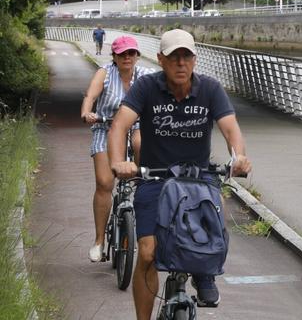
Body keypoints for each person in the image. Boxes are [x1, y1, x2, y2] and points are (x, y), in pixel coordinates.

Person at [108, 29, 251, 320]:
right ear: (161, 59)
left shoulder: (210, 89)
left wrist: (239, 157)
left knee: (216, 216)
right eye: (174, 57)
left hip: (198, 181)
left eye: (187, 56)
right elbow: (119, 125)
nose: (181, 63)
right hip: (155, 180)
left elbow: (230, 128)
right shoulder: (147, 87)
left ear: (195, 60)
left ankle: (204, 273)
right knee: (147, 254)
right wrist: (117, 163)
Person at [80, 35, 152, 263]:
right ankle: (99, 241)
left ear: (137, 55)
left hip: (136, 126)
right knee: (105, 183)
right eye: (122, 54)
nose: (127, 58)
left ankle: (142, 185)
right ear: (114, 57)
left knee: (141, 143)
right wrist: (87, 112)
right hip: (106, 127)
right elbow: (90, 95)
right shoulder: (105, 73)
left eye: (131, 53)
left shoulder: (146, 76)